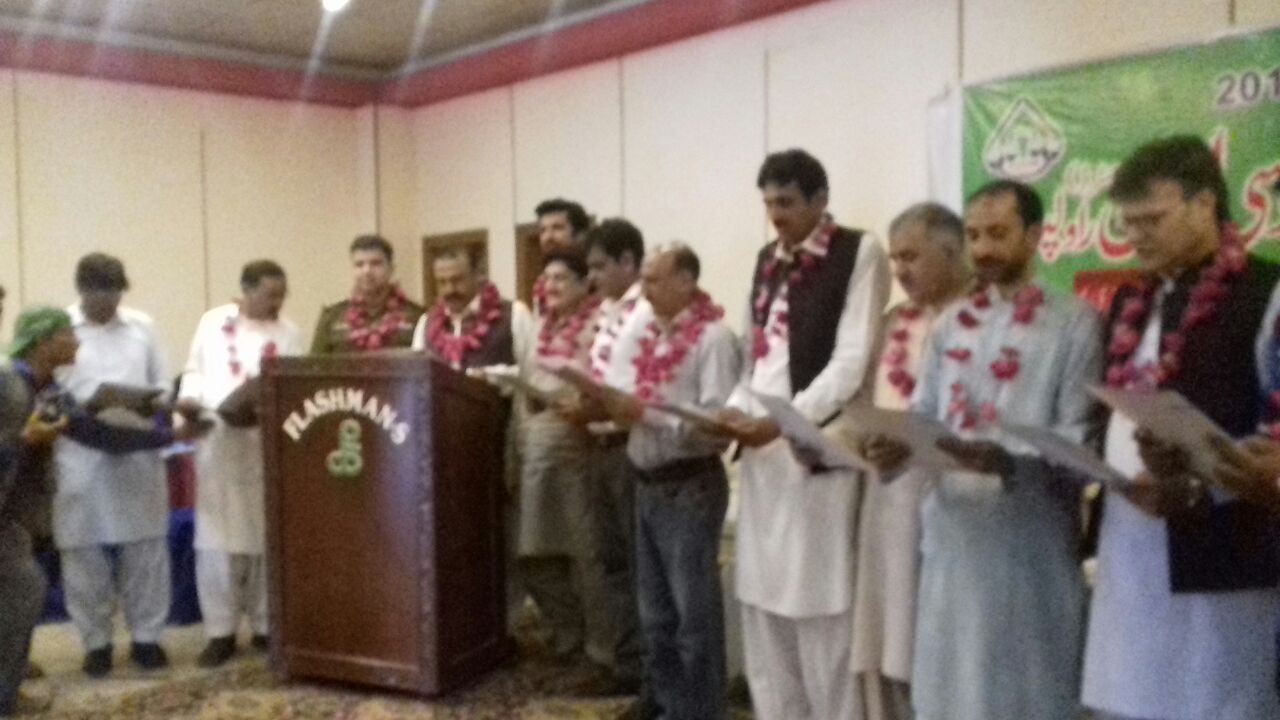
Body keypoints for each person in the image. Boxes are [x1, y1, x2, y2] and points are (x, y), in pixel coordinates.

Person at [862, 180, 1102, 720]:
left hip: (1030, 546)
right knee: (952, 692)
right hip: (952, 540)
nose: (984, 249)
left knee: (1031, 691)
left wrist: (1008, 462)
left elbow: (1080, 439)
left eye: (998, 233)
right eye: (974, 235)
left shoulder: (1074, 323)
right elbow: (924, 413)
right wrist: (896, 448)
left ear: (1035, 235)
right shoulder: (951, 323)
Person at [1081, 135, 1280, 720]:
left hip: (1225, 542)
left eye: (1152, 219)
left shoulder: (1265, 292)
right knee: (1135, 696)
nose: (1135, 235)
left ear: (1205, 206)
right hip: (1131, 537)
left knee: (1214, 698)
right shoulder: (1129, 302)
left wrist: (1202, 479)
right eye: (1127, 222)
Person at [718, 148, 889, 720]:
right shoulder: (769, 258)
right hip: (765, 457)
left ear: (821, 200)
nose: (776, 215)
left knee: (822, 610)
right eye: (768, 203)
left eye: (787, 203)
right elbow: (754, 356)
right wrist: (735, 411)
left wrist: (788, 420)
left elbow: (852, 359)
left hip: (817, 449)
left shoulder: (858, 252)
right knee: (764, 610)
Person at [2, 307, 194, 713]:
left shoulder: (47, 390)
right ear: (45, 342)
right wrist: (24, 440)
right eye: (68, 334)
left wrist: (168, 435)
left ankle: (9, 688)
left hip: (19, 515)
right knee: (24, 588)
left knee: (25, 591)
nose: (77, 340)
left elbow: (99, 435)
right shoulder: (11, 388)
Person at [839, 202, 971, 720]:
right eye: (895, 259)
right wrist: (845, 442)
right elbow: (866, 409)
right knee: (889, 633)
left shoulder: (984, 318)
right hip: (888, 496)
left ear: (951, 249)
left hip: (955, 497)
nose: (900, 271)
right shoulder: (895, 321)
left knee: (941, 638)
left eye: (911, 256)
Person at [602, 244, 740, 720]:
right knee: (655, 615)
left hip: (690, 487)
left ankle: (700, 712)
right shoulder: (645, 331)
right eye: (644, 278)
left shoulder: (714, 338)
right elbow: (621, 385)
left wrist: (649, 415)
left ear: (687, 281)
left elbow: (718, 426)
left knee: (692, 619)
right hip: (645, 482)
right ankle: (664, 703)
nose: (644, 289)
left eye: (655, 279)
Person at [53, 254, 178, 676]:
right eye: (99, 293)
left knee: (145, 548)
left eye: (115, 292)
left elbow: (162, 385)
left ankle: (146, 637)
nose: (108, 301)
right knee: (83, 552)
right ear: (82, 290)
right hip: (81, 454)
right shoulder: (60, 328)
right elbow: (51, 390)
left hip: (137, 448)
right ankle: (96, 642)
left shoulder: (142, 327)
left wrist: (148, 403)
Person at [175, 260, 304, 667]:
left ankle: (267, 626)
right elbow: (194, 372)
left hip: (265, 447)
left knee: (266, 542)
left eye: (282, 294)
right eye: (270, 295)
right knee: (216, 545)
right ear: (246, 291)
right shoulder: (213, 323)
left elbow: (296, 387)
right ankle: (220, 632)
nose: (278, 302)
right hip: (218, 445)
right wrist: (188, 409)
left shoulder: (290, 332)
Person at [568, 219, 651, 697]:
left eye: (600, 265)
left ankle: (648, 678)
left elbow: (638, 386)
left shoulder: (644, 313)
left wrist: (597, 401)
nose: (592, 276)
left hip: (627, 448)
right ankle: (626, 665)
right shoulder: (603, 313)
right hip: (596, 444)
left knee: (639, 567)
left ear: (628, 262)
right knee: (611, 563)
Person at [516, 249, 600, 664]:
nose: (550, 286)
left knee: (586, 554)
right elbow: (528, 382)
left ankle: (599, 649)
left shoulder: (598, 326)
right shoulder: (538, 327)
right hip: (536, 440)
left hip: (579, 444)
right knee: (533, 552)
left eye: (561, 279)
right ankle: (567, 631)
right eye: (546, 279)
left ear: (586, 285)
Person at [411, 246, 532, 371]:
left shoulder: (515, 314)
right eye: (442, 282)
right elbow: (416, 377)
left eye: (457, 280)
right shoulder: (426, 323)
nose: (449, 289)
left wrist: (493, 376)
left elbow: (534, 378)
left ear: (477, 275)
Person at [311, 235, 424, 354]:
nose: (367, 271)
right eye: (359, 264)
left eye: (375, 263)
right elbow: (314, 368)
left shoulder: (417, 317)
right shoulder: (332, 318)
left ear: (391, 269)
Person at [531, 199, 591, 314]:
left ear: (580, 235)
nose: (548, 237)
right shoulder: (542, 282)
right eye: (543, 230)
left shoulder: (595, 276)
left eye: (557, 228)